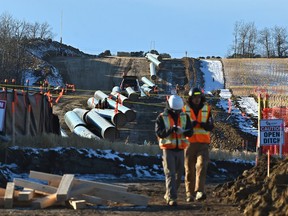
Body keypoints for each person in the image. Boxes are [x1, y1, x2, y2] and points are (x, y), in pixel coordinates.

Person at [155, 95, 193, 206]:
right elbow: (159, 133)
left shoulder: (184, 117)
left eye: (178, 110)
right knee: (170, 173)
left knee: (179, 174)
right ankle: (172, 198)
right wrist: (171, 130)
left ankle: (169, 193)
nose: (177, 112)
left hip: (181, 149)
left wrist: (184, 132)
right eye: (175, 111)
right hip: (168, 149)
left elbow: (190, 132)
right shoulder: (162, 117)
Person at [183, 87, 214, 202]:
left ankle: (199, 191)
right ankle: (189, 193)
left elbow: (211, 125)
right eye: (195, 98)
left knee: (202, 166)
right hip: (189, 144)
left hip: (203, 143)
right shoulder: (184, 109)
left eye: (199, 97)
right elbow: (181, 125)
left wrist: (203, 125)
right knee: (189, 169)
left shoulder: (207, 109)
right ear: (190, 98)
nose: (197, 100)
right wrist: (190, 124)